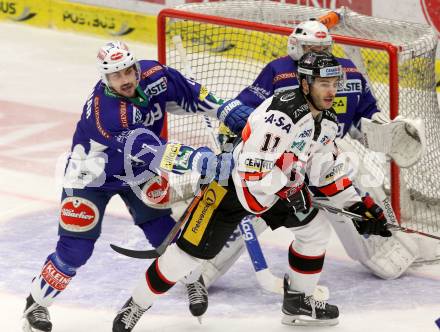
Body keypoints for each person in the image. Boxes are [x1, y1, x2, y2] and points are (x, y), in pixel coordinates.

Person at [111, 51, 391, 331]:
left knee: (315, 231)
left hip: (273, 190)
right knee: (185, 258)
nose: (331, 91)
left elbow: (325, 169)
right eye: (323, 84)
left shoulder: (327, 121)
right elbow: (251, 171)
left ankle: (298, 301)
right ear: (305, 84)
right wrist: (290, 190)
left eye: (334, 83)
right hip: (231, 187)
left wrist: (358, 205)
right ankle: (136, 305)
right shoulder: (282, 116)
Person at [21, 40, 251, 332]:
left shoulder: (155, 74)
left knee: (166, 235)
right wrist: (196, 159)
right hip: (91, 177)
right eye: (117, 75)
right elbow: (148, 149)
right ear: (105, 78)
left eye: (128, 70)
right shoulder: (107, 112)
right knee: (75, 250)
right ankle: (36, 303)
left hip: (137, 172)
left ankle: (193, 280)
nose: (126, 79)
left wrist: (225, 108)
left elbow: (189, 92)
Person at [196, 19, 420, 296]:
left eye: (321, 47)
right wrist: (233, 139)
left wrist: (382, 129)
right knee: (252, 206)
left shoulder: (347, 73)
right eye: (310, 46)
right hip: (281, 164)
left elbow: (362, 119)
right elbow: (248, 114)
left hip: (326, 154)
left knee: (361, 198)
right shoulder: (279, 73)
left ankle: (376, 243)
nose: (315, 51)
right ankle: (202, 265)